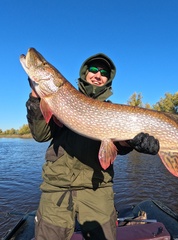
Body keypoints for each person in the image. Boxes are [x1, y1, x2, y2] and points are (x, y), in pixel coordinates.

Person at [26, 53, 159, 240]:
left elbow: (118, 146)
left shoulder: (113, 110)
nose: (98, 75)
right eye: (94, 70)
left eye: (103, 72)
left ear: (108, 80)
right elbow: (40, 135)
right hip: (57, 188)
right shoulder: (57, 100)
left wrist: (134, 142)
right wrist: (35, 98)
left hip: (97, 188)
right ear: (85, 73)